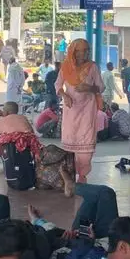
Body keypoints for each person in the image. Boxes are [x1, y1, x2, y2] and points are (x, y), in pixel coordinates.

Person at [57, 39, 103, 183]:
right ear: (73, 52)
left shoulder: (93, 67)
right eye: (80, 50)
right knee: (70, 141)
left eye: (86, 50)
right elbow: (57, 85)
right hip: (71, 111)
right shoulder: (65, 67)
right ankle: (70, 175)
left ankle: (82, 176)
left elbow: (101, 87)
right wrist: (64, 96)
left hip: (87, 111)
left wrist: (89, 88)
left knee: (86, 142)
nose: (84, 53)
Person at [0, 101, 35, 175]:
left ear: (6, 112)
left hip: (10, 153)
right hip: (26, 152)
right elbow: (32, 133)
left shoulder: (2, 120)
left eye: (3, 109)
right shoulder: (23, 118)